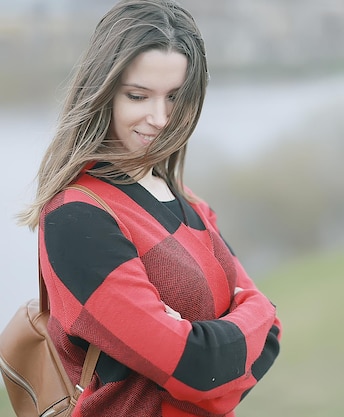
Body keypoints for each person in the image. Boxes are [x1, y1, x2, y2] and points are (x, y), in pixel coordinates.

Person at [17, 0, 281, 416]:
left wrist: (222, 334)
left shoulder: (186, 199)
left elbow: (271, 339)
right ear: (101, 91)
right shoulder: (77, 216)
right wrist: (253, 314)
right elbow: (199, 367)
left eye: (174, 97)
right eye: (138, 96)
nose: (159, 118)